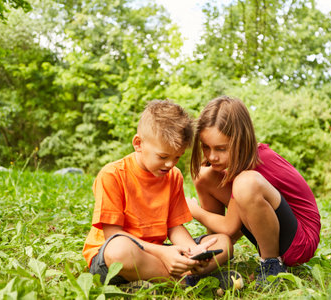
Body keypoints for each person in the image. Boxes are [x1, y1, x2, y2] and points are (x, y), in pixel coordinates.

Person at [82, 100, 241, 291]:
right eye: (163, 157)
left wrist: (192, 252)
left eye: (177, 157)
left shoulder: (173, 176)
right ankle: (189, 282)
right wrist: (164, 254)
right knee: (120, 250)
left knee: (223, 242)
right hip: (111, 258)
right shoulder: (112, 174)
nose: (170, 164)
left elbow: (174, 227)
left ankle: (171, 276)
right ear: (138, 144)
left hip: (158, 252)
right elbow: (112, 234)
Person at [187, 96, 321, 289]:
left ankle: (271, 265)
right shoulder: (235, 164)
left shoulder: (257, 163)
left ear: (241, 141)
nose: (212, 156)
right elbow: (232, 226)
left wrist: (195, 211)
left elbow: (230, 227)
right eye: (206, 147)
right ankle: (215, 252)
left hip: (299, 241)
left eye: (221, 148)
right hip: (275, 225)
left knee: (245, 183)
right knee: (204, 175)